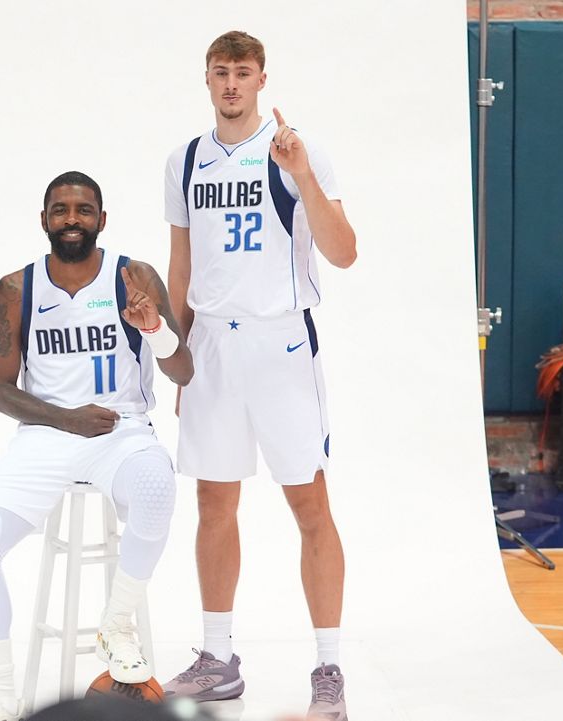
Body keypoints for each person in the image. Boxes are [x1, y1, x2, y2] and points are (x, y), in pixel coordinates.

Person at [159, 30, 358, 721]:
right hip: (212, 346)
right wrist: (180, 358)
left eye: (243, 73)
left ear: (262, 80)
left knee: (310, 505)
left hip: (280, 344)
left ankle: (328, 667)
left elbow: (344, 252)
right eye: (221, 72)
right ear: (207, 80)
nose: (232, 84)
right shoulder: (186, 160)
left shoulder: (293, 151)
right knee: (214, 503)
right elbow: (180, 266)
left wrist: (302, 173)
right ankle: (218, 657)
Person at [0, 172, 193, 721]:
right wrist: (66, 418)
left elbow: (184, 369)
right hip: (45, 435)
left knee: (158, 486)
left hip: (121, 432)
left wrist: (154, 327)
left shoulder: (134, 277)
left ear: (102, 220)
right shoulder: (16, 289)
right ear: (43, 220)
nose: (71, 219)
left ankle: (118, 625)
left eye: (83, 210)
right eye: (59, 210)